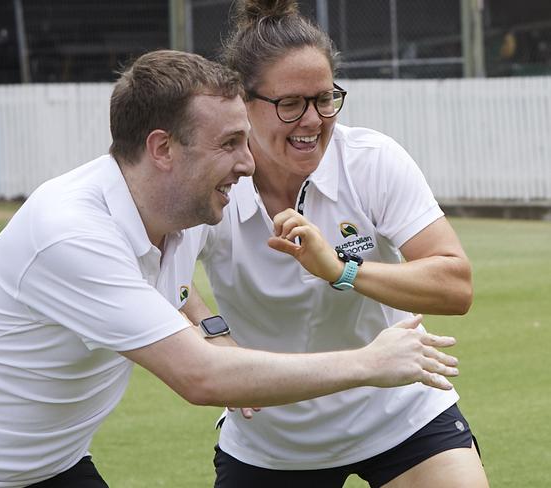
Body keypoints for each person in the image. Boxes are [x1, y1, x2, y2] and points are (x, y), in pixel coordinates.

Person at [0, 50, 460, 488]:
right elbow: (200, 378)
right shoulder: (71, 233)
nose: (248, 163)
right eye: (231, 144)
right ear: (163, 148)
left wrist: (215, 330)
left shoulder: (184, 208)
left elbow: (177, 292)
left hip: (46, 462)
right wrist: (370, 362)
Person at [182, 1, 490, 487]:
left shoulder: (372, 160)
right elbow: (159, 271)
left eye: (325, 99)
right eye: (291, 104)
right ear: (243, 101)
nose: (313, 120)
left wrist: (342, 270)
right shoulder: (213, 177)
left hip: (400, 414)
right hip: (271, 441)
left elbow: (455, 284)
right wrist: (212, 328)